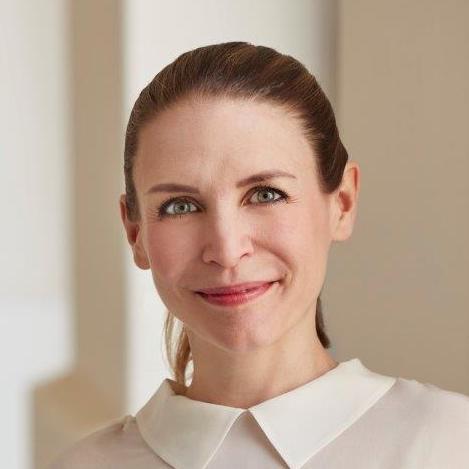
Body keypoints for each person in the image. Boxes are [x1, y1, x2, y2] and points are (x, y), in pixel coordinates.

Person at [49, 41, 469, 469]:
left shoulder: (452, 445)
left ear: (342, 203)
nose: (227, 250)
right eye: (180, 206)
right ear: (134, 232)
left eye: (266, 194)